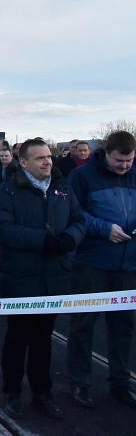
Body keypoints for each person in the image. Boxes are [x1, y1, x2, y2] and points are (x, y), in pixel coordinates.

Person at [0, 138, 86, 419]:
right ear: (24, 162)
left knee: (44, 339)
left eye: (48, 156)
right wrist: (43, 241)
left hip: (53, 278)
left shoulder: (62, 188)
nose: (47, 161)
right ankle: (12, 391)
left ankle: (42, 391)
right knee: (18, 338)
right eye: (40, 158)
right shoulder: (6, 192)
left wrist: (70, 238)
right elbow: (3, 230)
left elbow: (80, 219)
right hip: (21, 278)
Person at [67, 131, 136, 408]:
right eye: (120, 160)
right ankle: (79, 382)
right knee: (83, 323)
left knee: (124, 325)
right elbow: (72, 212)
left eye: (130, 160)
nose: (125, 166)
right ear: (106, 153)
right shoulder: (83, 177)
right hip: (92, 261)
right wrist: (103, 228)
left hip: (129, 263)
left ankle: (120, 382)